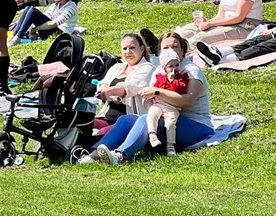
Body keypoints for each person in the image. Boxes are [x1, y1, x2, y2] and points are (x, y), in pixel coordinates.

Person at [85, 32, 213, 165]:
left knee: (145, 120)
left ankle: (120, 156)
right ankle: (92, 156)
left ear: (183, 50)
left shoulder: (191, 70)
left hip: (196, 125)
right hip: (168, 119)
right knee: (127, 119)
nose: (171, 51)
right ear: (159, 51)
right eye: (166, 48)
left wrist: (157, 92)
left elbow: (187, 101)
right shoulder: (159, 70)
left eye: (175, 47)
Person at [93, 33, 156, 131]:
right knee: (83, 123)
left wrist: (109, 92)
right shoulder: (117, 67)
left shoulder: (148, 68)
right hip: (107, 118)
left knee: (100, 133)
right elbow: (104, 83)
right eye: (125, 48)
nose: (128, 52)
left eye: (132, 48)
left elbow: (129, 87)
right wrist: (103, 91)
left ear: (142, 49)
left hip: (130, 121)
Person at [145, 48, 188, 156]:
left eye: (177, 65)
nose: (174, 69)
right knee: (152, 114)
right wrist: (166, 79)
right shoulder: (160, 77)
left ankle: (170, 146)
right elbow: (157, 88)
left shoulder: (182, 78)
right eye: (170, 66)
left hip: (172, 107)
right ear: (164, 68)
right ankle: (152, 135)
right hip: (159, 104)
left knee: (170, 124)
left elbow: (180, 90)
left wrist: (172, 81)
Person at [8, 0, 79, 46]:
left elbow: (54, 24)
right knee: (28, 8)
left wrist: (35, 29)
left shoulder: (71, 6)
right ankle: (15, 35)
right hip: (50, 30)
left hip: (61, 34)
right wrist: (32, 29)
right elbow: (45, 17)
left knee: (33, 11)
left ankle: (18, 37)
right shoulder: (55, 5)